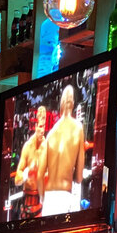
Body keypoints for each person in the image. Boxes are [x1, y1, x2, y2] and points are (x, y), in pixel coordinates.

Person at [37, 84, 85, 216]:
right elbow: (79, 178)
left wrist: (43, 198)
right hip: (65, 197)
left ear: (61, 105)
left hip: (49, 198)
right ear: (73, 104)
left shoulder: (50, 134)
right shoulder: (78, 128)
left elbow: (40, 175)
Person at [14, 105, 46, 219]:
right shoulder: (28, 147)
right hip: (27, 201)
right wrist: (27, 173)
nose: (42, 130)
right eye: (40, 126)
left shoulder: (47, 147)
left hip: (43, 201)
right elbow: (17, 180)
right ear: (35, 126)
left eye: (44, 126)